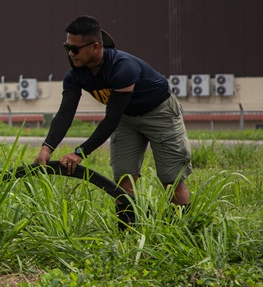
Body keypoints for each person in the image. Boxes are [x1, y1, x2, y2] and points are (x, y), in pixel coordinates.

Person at [34, 15, 191, 226]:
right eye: (67, 48)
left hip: (159, 114)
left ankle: (182, 231)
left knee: (171, 179)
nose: (70, 54)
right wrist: (47, 148)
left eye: (75, 49)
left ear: (95, 47)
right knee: (123, 178)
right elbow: (65, 114)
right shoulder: (75, 75)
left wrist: (80, 153)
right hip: (126, 118)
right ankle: (128, 232)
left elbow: (111, 120)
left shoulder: (123, 67)